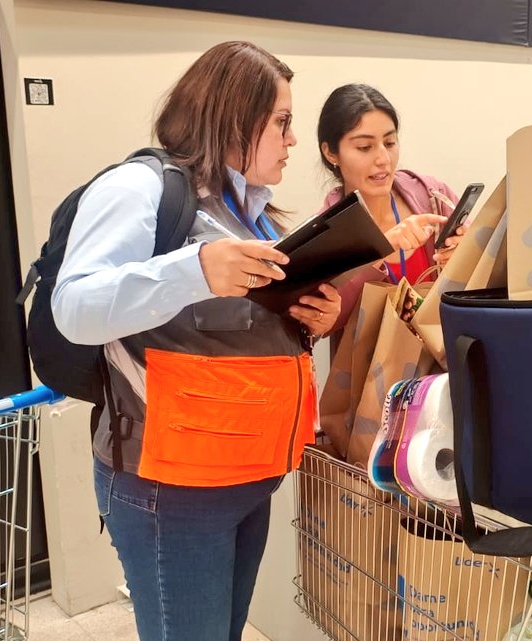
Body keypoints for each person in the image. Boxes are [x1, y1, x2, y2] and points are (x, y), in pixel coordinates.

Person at [51, 41, 340, 641]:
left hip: (249, 477)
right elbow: (74, 307)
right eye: (282, 122)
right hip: (171, 488)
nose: (293, 140)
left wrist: (313, 318)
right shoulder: (140, 188)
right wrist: (195, 270)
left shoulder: (253, 213)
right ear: (234, 119)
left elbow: (234, 334)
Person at [315, 83, 466, 331]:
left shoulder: (434, 196)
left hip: (446, 353)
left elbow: (485, 280)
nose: (383, 159)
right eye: (364, 147)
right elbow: (325, 324)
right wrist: (381, 250)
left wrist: (466, 255)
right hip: (370, 357)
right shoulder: (323, 234)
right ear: (331, 153)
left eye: (390, 142)